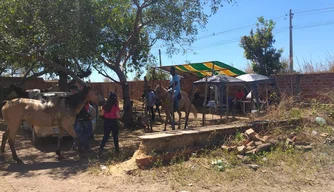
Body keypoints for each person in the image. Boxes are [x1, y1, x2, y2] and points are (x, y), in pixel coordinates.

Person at [99, 92, 121, 157]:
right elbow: (118, 116)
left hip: (106, 122)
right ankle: (117, 150)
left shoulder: (105, 106)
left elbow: (102, 114)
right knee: (115, 136)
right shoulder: (115, 106)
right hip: (113, 122)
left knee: (105, 136)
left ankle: (100, 149)